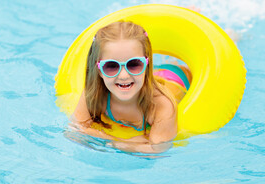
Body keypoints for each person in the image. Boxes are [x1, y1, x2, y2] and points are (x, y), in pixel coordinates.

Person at [71, 21, 191, 153]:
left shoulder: (161, 105)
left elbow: (156, 150)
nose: (123, 75)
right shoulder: (93, 94)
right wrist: (135, 142)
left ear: (147, 63)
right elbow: (76, 130)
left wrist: (108, 140)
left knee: (171, 70)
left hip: (176, 78)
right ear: (99, 69)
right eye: (111, 66)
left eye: (134, 64)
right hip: (142, 78)